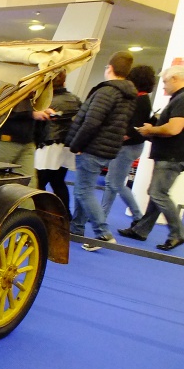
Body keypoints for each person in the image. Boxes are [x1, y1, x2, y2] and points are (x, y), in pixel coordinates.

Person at [65, 51, 137, 251]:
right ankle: (76, 228)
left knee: (83, 190)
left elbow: (91, 122)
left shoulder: (106, 91)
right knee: (84, 188)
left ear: (109, 68)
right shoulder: (129, 95)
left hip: (92, 148)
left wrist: (76, 145)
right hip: (107, 149)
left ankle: (103, 234)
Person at [118, 64, 184, 251]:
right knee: (156, 194)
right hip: (169, 154)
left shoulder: (182, 99)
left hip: (171, 155)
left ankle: (177, 233)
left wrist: (151, 129)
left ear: (175, 79)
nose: (162, 87)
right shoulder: (177, 98)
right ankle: (141, 229)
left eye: (165, 82)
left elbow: (173, 129)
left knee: (158, 193)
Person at [101, 65, 156, 225]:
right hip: (131, 146)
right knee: (113, 183)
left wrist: (114, 138)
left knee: (115, 183)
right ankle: (102, 214)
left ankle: (137, 216)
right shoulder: (141, 98)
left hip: (128, 146)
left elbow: (134, 128)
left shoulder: (140, 100)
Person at [35, 71, 81, 218]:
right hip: (66, 147)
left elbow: (39, 128)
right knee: (58, 182)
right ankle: (65, 215)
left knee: (38, 183)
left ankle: (38, 214)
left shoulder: (45, 102)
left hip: (47, 146)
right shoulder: (75, 99)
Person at [0, 98, 53, 188]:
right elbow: (2, 113)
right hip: (8, 141)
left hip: (28, 142)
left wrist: (42, 111)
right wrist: (32, 114)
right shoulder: (12, 91)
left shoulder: (38, 94)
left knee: (29, 183)